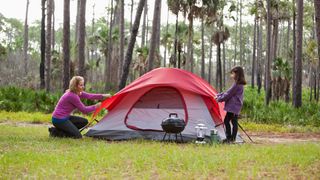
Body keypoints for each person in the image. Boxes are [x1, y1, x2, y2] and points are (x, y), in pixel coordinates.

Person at [215, 66, 246, 143]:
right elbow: (228, 92)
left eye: (233, 73)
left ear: (237, 74)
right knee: (233, 121)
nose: (232, 75)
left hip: (233, 106)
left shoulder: (237, 84)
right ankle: (232, 139)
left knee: (227, 121)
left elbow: (228, 94)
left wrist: (219, 99)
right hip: (235, 106)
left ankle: (229, 138)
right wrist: (219, 95)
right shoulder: (238, 84)